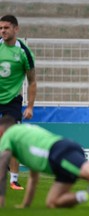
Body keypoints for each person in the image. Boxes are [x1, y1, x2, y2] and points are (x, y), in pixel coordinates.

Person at [0, 116, 89, 210]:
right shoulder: (21, 139)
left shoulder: (9, 135)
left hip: (58, 152)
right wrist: (25, 205)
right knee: (53, 202)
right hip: (60, 156)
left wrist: (1, 199)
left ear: (2, 130)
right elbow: (33, 176)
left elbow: (1, 168)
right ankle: (88, 196)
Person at [0, 14, 37, 190]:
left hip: (12, 101)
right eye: (0, 28)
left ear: (16, 29)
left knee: (12, 139)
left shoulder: (24, 52)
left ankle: (14, 180)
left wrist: (30, 106)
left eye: (6, 28)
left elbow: (32, 81)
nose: (2, 31)